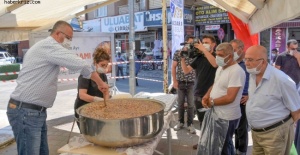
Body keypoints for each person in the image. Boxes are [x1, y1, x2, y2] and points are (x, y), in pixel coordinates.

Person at [6, 20, 109, 155]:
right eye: (68, 38)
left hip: (34, 111)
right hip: (26, 111)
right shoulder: (50, 46)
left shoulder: (44, 47)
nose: (69, 42)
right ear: (58, 34)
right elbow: (82, 65)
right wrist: (101, 84)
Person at [245, 45, 300, 155]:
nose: (246, 63)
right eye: (245, 59)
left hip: (275, 134)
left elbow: (296, 112)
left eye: (250, 60)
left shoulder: (282, 80)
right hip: (256, 133)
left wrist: (283, 129)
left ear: (263, 61)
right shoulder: (253, 75)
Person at [200, 43, 245, 154]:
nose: (217, 58)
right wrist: (207, 95)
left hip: (227, 117)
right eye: (216, 54)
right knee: (214, 145)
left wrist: (212, 102)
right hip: (216, 113)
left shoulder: (237, 71)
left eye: (220, 55)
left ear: (230, 56)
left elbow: (230, 97)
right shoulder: (221, 67)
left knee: (224, 146)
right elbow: (216, 84)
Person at [180, 34, 218, 149]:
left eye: (206, 42)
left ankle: (212, 145)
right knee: (202, 122)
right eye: (203, 42)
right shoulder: (200, 58)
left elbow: (215, 64)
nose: (204, 44)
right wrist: (182, 58)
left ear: (213, 44)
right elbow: (186, 71)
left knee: (212, 123)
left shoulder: (217, 56)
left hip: (211, 95)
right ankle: (203, 143)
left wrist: (203, 50)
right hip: (198, 93)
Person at [74, 48, 110, 130]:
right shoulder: (86, 74)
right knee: (88, 134)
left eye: (106, 65)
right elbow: (82, 95)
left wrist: (107, 103)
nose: (104, 67)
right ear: (95, 63)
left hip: (97, 109)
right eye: (102, 65)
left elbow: (106, 91)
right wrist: (97, 99)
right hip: (83, 108)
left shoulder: (102, 75)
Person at [274, 39, 300, 153]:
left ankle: (293, 121)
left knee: (295, 105)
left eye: (296, 48)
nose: (294, 51)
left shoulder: (298, 56)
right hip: (284, 86)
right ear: (287, 47)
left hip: (296, 85)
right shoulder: (281, 56)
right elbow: (276, 71)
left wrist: (298, 56)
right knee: (285, 105)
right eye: (292, 49)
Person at [172, 37, 196, 134]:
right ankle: (180, 122)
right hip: (181, 81)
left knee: (191, 105)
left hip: (192, 82)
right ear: (185, 43)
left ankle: (190, 124)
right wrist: (174, 81)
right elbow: (173, 67)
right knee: (180, 104)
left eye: (192, 43)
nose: (190, 45)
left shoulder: (195, 53)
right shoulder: (178, 53)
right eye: (189, 43)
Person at [230, 39, 250, 155]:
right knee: (234, 128)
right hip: (232, 99)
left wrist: (249, 96)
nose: (232, 52)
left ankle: (241, 151)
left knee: (242, 129)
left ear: (241, 49)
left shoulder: (248, 63)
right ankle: (235, 149)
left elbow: (257, 81)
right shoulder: (231, 63)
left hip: (243, 100)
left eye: (234, 50)